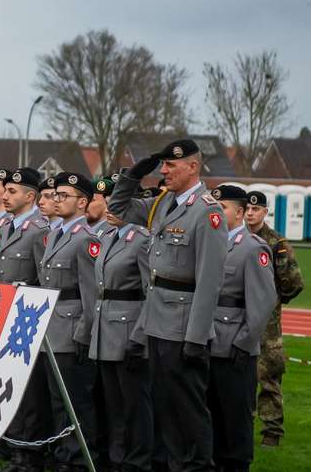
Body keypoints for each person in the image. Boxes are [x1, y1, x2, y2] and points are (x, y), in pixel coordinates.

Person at [107, 139, 228, 471]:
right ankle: (177, 464)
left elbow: (209, 281)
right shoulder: (164, 203)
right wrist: (132, 177)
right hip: (158, 321)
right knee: (166, 407)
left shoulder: (208, 212)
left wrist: (197, 337)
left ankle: (197, 466)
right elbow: (117, 210)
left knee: (188, 409)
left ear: (192, 166)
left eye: (170, 165)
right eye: (162, 165)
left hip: (184, 325)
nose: (164, 171)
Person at [206, 185, 276, 471]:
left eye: (221, 208)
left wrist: (243, 344)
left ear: (240, 211)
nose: (216, 214)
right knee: (210, 422)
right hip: (207, 344)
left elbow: (262, 302)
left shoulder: (252, 249)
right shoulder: (210, 245)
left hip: (234, 349)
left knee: (235, 423)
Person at [88, 176, 153, 472]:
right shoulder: (107, 236)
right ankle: (117, 460)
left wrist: (140, 335)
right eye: (109, 200)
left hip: (129, 330)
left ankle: (137, 461)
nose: (111, 206)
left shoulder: (142, 240)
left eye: (118, 200)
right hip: (106, 329)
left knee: (135, 405)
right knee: (113, 404)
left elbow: (150, 291)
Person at [38, 171, 100, 471]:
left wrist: (83, 333)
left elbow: (90, 294)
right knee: (57, 399)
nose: (55, 200)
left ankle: (77, 459)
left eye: (63, 196)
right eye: (54, 195)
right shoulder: (57, 234)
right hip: (52, 328)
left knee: (75, 400)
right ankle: (63, 453)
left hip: (72, 326)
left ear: (82, 202)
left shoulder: (86, 240)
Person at [0, 168, 53, 471]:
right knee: (9, 386)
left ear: (30, 196)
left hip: (28, 318)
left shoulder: (38, 229)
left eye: (13, 192)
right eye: (5, 191)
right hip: (7, 314)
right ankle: (15, 444)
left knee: (29, 390)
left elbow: (44, 279)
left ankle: (29, 452)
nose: (6, 196)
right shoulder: (7, 226)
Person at [245, 190, 304, 447]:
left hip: (267, 320)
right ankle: (240, 426)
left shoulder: (276, 243)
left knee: (268, 374)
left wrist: (273, 301)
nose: (250, 213)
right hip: (237, 313)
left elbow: (293, 282)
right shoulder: (232, 238)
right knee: (236, 373)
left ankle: (272, 431)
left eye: (256, 209)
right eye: (247, 208)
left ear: (265, 212)